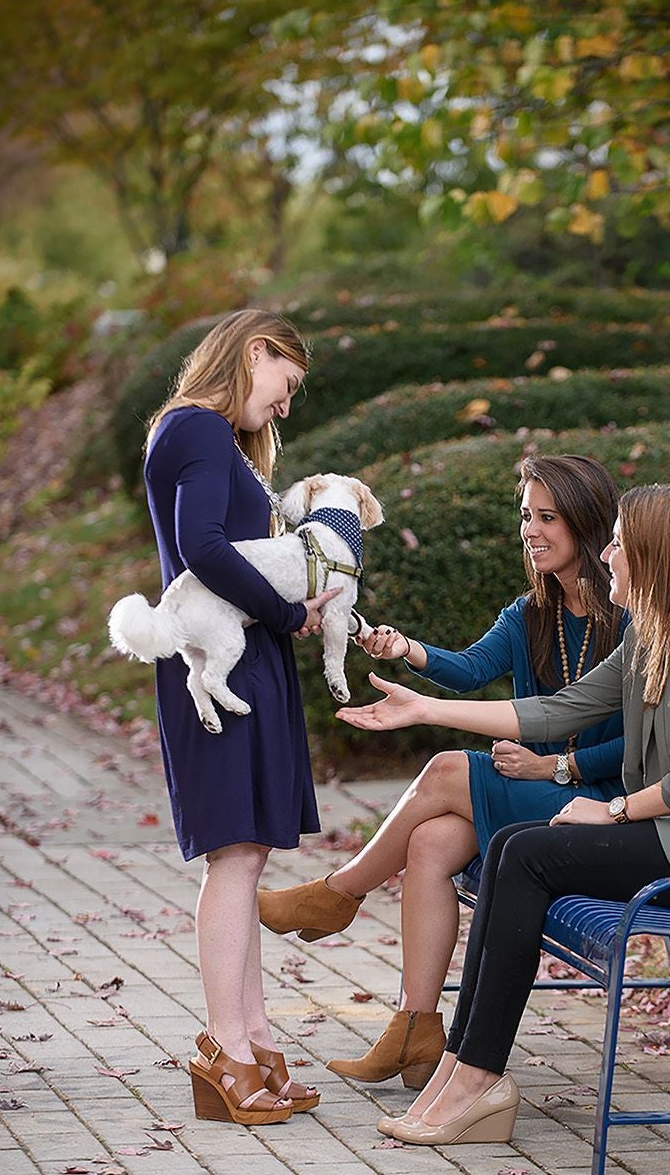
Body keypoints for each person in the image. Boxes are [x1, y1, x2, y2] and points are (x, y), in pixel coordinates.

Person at [335, 482, 670, 1146]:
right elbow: (558, 711)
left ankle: (475, 1076)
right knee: (516, 847)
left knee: (529, 856)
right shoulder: (658, 627)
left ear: (654, 554)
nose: (609, 555)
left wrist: (614, 812)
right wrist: (424, 709)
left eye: (621, 542)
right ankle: (462, 1066)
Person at [256, 454, 628, 1090]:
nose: (529, 531)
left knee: (449, 767)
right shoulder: (531, 613)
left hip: (603, 805)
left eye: (547, 518)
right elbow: (471, 667)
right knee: (430, 843)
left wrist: (557, 766)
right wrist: (407, 651)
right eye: (524, 517)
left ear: (589, 525)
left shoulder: (631, 619)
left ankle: (339, 894)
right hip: (542, 790)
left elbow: (642, 750)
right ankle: (416, 1029)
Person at [138, 309, 345, 1126]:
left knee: (249, 854)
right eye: (286, 385)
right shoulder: (191, 427)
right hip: (214, 658)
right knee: (233, 858)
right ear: (254, 352)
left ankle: (254, 1037)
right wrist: (286, 611)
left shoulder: (212, 440)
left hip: (246, 655)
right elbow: (201, 546)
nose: (287, 407)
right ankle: (226, 1045)